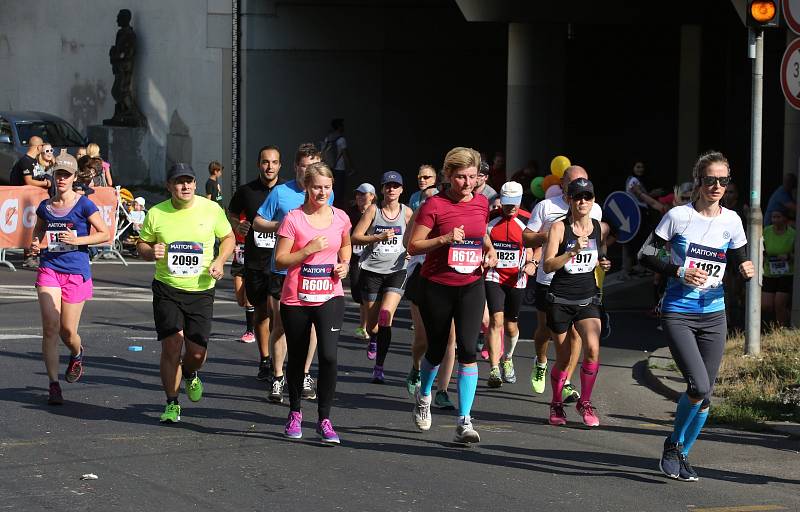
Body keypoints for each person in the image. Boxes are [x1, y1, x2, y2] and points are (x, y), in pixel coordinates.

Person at [638, 150, 754, 482]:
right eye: (710, 180)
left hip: (714, 315)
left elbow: (738, 255)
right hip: (679, 313)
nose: (717, 186)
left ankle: (681, 454)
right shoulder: (678, 216)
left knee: (705, 393)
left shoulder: (731, 220)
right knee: (698, 385)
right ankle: (673, 446)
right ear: (699, 181)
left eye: (723, 180)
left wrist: (743, 266)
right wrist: (677, 270)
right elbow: (645, 253)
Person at [408, 147, 497, 444]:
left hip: (472, 283)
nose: (467, 183)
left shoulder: (482, 203)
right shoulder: (434, 204)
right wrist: (445, 238)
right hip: (437, 285)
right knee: (436, 348)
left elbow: (480, 233)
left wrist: (490, 250)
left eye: (472, 177)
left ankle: (464, 419)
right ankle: (424, 396)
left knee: (469, 349)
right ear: (448, 176)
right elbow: (414, 245)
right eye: (461, 177)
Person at [136, 163, 234, 423]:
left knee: (197, 354)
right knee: (172, 344)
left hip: (201, 290)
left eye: (189, 180)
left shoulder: (211, 209)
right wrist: (149, 252)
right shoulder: (156, 213)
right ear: (169, 186)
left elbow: (228, 238)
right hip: (167, 288)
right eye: (179, 181)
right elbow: (142, 244)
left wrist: (220, 261)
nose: (186, 186)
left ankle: (190, 373)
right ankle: (171, 402)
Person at [274, 162, 351, 443]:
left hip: (330, 294)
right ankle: (295, 412)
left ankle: (325, 419)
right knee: (297, 355)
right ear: (307, 187)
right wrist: (307, 250)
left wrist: (345, 264)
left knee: (329, 356)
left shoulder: (341, 217)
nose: (322, 192)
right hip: (297, 297)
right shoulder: (293, 219)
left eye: (327, 187)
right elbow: (280, 259)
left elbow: (345, 245)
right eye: (317, 186)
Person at [29, 150, 110, 404]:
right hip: (49, 269)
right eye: (58, 174)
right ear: (53, 177)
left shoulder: (84, 204)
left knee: (67, 331)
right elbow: (37, 237)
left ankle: (77, 352)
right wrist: (34, 246)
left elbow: (104, 233)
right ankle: (53, 384)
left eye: (66, 175)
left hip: (76, 271)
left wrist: (78, 240)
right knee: (50, 328)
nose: (61, 179)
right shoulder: (45, 207)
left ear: (74, 176)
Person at [254, 143, 332, 403]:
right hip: (283, 268)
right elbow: (258, 221)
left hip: (313, 270)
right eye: (304, 167)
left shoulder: (325, 194)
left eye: (314, 167)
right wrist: (283, 226)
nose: (309, 172)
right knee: (281, 324)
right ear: (296, 167)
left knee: (310, 328)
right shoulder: (280, 192)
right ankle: (278, 377)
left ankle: (305, 373)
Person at [523, 166, 603, 402]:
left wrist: (601, 262)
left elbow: (595, 243)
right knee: (545, 331)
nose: (582, 196)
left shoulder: (594, 210)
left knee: (577, 337)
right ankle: (541, 361)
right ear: (564, 187)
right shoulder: (546, 208)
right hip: (549, 282)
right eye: (575, 189)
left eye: (586, 188)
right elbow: (526, 236)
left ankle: (565, 381)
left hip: (579, 285)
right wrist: (550, 238)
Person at [542, 178, 611, 427]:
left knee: (592, 348)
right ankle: (557, 403)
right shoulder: (559, 228)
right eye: (578, 197)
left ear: (593, 200)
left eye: (588, 197)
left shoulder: (597, 227)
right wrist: (570, 252)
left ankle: (585, 402)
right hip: (560, 299)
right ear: (569, 199)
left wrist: (604, 263)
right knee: (564, 357)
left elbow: (600, 255)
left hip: (587, 298)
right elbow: (547, 264)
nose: (583, 201)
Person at [228, 146, 284, 379]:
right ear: (259, 164)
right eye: (265, 162)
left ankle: (279, 362)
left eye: (273, 162)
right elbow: (231, 212)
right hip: (255, 262)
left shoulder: (288, 192)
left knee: (278, 315)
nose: (269, 166)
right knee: (261, 313)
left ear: (280, 165)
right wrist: (236, 225)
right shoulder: (246, 191)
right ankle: (264, 360)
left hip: (282, 263)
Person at [351, 171, 412, 383]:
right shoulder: (372, 211)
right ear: (382, 189)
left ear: (402, 189)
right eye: (388, 186)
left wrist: (411, 249)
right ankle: (374, 338)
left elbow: (415, 237)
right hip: (372, 270)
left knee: (386, 316)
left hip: (397, 270)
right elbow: (355, 236)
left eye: (396, 186)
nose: (392, 189)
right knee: (372, 326)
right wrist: (378, 236)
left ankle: (379, 366)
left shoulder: (407, 212)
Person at [403, 184, 458, 410]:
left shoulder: (458, 212)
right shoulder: (422, 212)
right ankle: (416, 367)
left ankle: (442, 390)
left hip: (450, 276)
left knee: (450, 339)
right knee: (423, 339)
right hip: (422, 277)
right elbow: (410, 243)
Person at [485, 182, 535, 388]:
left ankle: (508, 359)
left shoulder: (528, 219)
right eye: (507, 204)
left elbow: (537, 246)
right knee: (495, 321)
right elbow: (481, 240)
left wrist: (533, 262)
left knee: (511, 325)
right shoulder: (490, 218)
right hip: (494, 276)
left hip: (517, 277)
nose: (511, 208)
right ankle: (494, 368)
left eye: (514, 204)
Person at [347, 183, 376, 340]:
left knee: (368, 292)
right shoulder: (350, 212)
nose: (359, 197)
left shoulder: (378, 212)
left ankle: (365, 327)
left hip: (372, 257)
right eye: (357, 194)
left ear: (372, 196)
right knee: (358, 292)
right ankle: (365, 326)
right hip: (355, 257)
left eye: (363, 194)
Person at [762, 208, 794, 326]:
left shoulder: (793, 234)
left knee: (779, 303)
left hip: (786, 273)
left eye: (778, 217)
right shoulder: (766, 231)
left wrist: (788, 256)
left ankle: (782, 329)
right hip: (769, 272)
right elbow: (761, 248)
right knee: (766, 305)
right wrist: (764, 256)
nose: (775, 220)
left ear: (785, 219)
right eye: (773, 217)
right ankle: (774, 324)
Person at [231, 212, 255, 343]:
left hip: (253, 262)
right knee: (241, 301)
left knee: (248, 300)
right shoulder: (237, 215)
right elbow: (229, 236)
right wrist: (232, 246)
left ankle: (250, 331)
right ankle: (258, 316)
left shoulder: (260, 214)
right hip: (239, 261)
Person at [323, 118, 351, 208]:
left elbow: (323, 152)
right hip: (339, 169)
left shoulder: (328, 138)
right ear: (339, 127)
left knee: (331, 191)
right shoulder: (342, 139)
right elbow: (345, 154)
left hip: (329, 168)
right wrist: (350, 168)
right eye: (342, 125)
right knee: (340, 193)